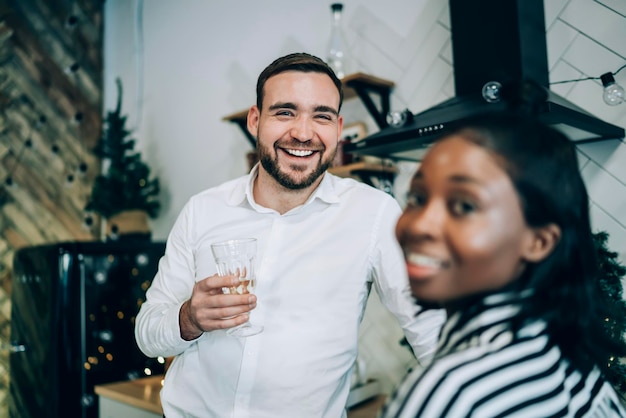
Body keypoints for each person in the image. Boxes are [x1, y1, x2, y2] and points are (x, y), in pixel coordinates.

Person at [134, 52, 445, 418]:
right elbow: (147, 331)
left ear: (338, 127)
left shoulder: (374, 214)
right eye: (285, 112)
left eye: (322, 116)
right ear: (255, 119)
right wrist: (189, 318)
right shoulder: (203, 210)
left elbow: (433, 332)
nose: (302, 132)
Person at [383, 110, 626, 417]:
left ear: (538, 241)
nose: (420, 226)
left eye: (464, 205)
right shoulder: (569, 351)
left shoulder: (453, 393)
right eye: (417, 198)